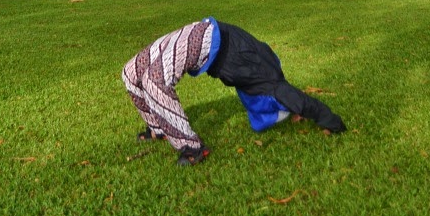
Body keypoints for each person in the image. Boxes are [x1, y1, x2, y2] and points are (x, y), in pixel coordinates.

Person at [122, 17, 347, 166]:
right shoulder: (269, 82)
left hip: (203, 33)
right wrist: (333, 122)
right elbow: (300, 100)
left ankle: (187, 145)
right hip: (208, 35)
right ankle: (178, 139)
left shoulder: (266, 85)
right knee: (147, 78)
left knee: (135, 74)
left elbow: (294, 100)